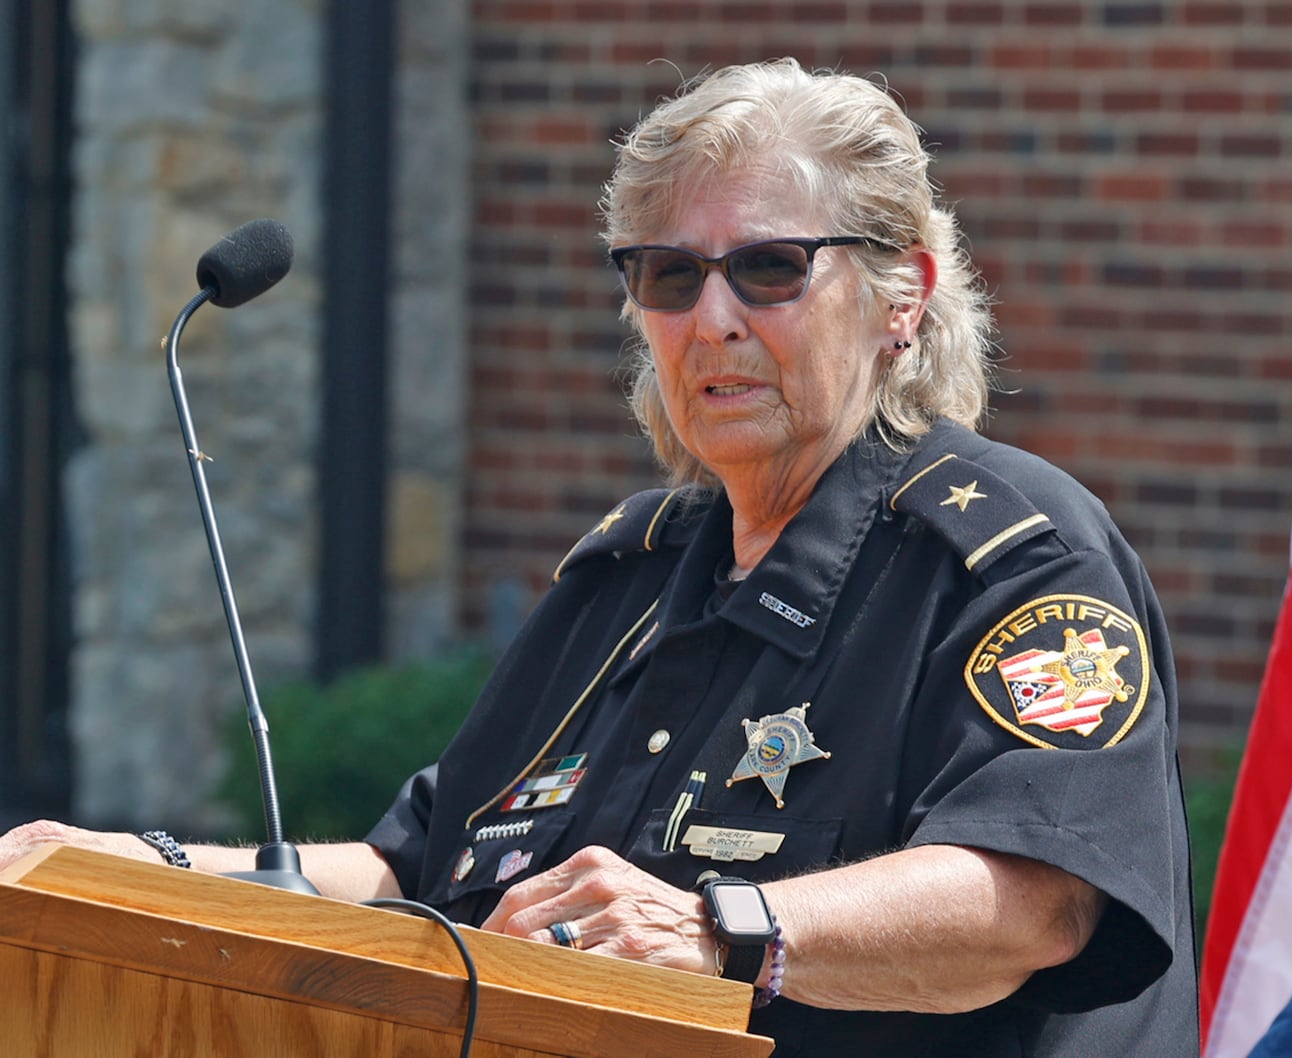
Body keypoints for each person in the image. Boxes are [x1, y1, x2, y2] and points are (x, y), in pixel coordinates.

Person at [0, 59, 1198, 1056]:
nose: (712, 318)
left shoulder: (1009, 559)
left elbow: (1037, 897)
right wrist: (140, 870)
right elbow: (414, 870)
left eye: (769, 267)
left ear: (902, 297)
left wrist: (726, 926)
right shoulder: (629, 576)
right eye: (670, 275)